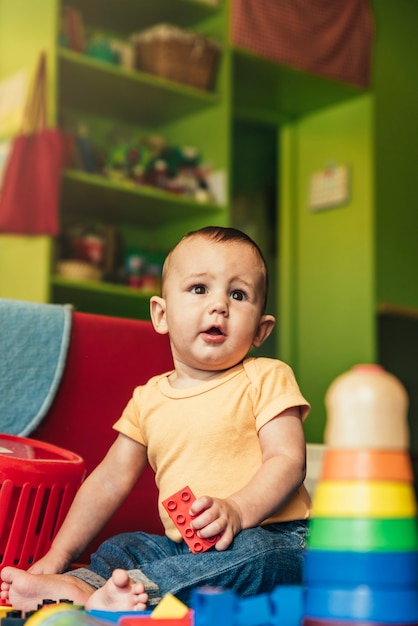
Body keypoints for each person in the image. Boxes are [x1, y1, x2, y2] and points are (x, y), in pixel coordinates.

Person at [1, 226, 311, 613]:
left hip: (275, 536)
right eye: (200, 289)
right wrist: (58, 553)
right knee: (126, 545)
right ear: (161, 314)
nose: (219, 306)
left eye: (238, 294)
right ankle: (76, 583)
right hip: (185, 548)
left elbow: (288, 460)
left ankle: (135, 593)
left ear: (261, 330)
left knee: (256, 555)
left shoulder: (266, 376)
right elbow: (107, 482)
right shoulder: (148, 400)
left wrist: (238, 509)